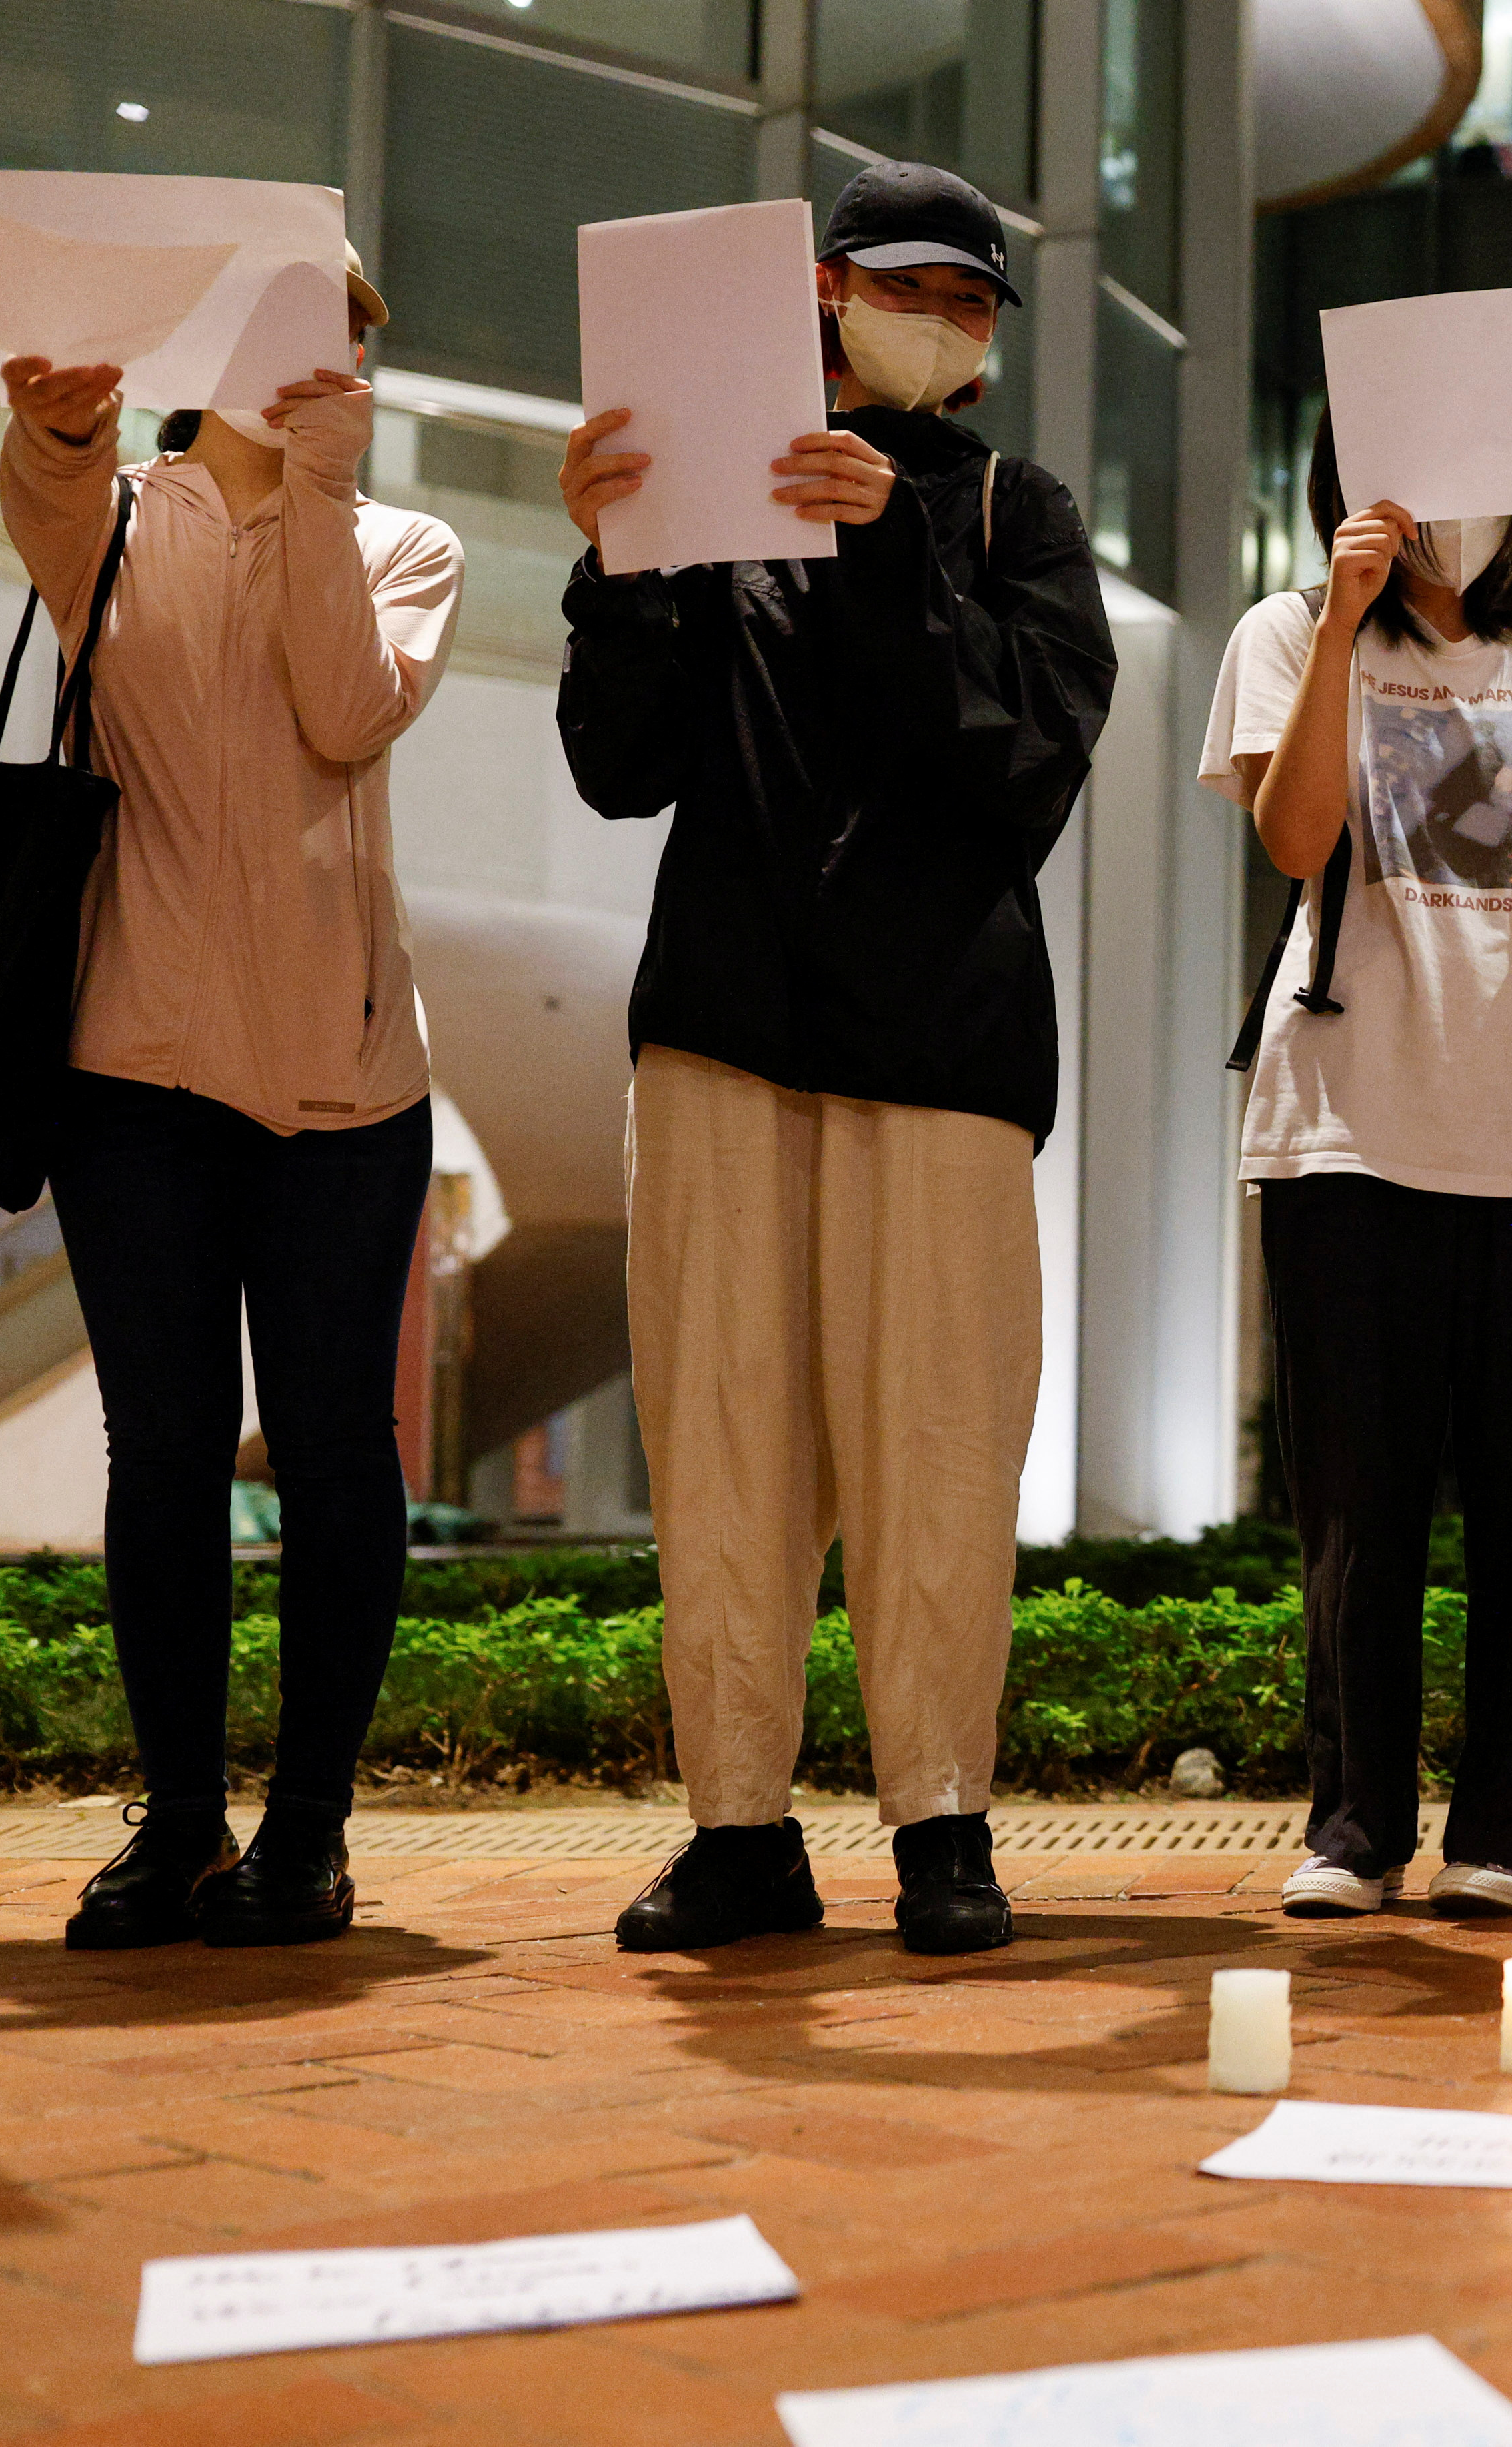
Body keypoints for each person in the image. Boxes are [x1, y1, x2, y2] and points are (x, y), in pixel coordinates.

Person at [554, 161, 1116, 1956]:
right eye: (911, 287)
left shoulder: (1020, 513)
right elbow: (618, 766)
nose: (940, 322)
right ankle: (736, 1825)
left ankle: (941, 1817)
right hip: (722, 1019)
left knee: (940, 1441)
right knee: (723, 1441)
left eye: (972, 304)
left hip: (942, 1033)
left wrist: (887, 551)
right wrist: (616, 565)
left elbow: (1017, 767)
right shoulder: (704, 491)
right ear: (819, 287)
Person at [5, 248, 458, 1951]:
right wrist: (52, 439)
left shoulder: (402, 541)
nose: (306, 348)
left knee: (339, 1451)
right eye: (273, 318)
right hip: (135, 1071)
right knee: (166, 1450)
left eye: (337, 320)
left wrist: (319, 492)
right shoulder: (118, 516)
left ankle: (311, 1833)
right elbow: (42, 492)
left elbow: (341, 711)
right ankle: (180, 1823)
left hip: (346, 1083)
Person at [1206, 419, 1512, 1922]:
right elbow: (1294, 837)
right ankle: (1353, 1824)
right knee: (1358, 1505)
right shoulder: (1289, 628)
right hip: (1351, 1114)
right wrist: (1348, 620)